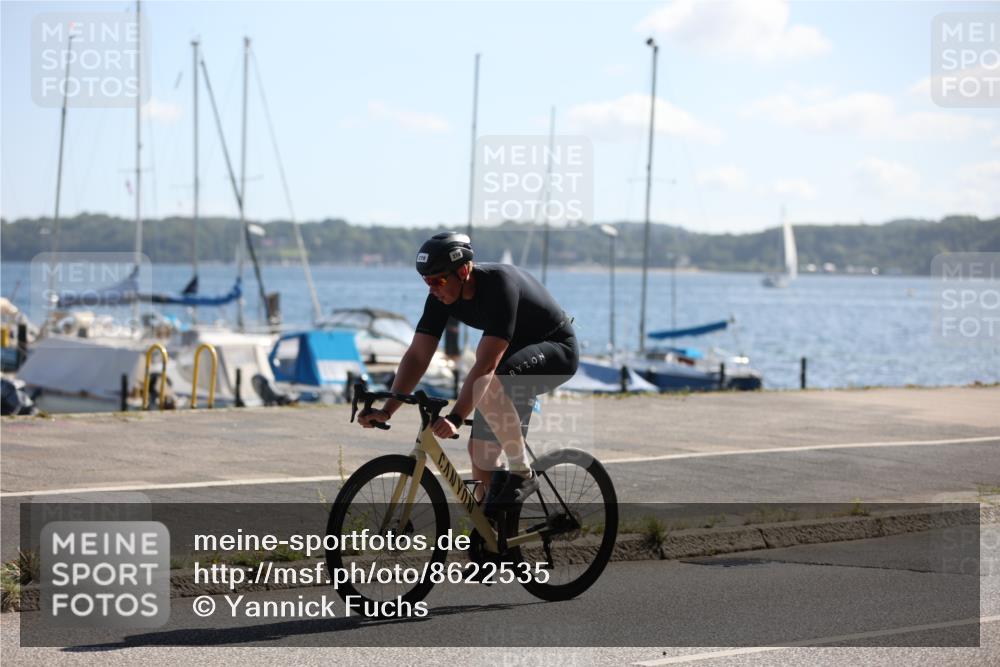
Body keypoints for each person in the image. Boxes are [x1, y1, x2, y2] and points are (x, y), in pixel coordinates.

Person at [357, 231, 578, 512]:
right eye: (426, 281)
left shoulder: (500, 286)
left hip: (556, 350)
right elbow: (418, 356)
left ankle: (523, 473)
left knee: (492, 383)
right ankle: (492, 530)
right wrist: (388, 409)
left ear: (462, 271)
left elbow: (486, 365)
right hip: (513, 356)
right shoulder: (439, 297)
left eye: (437, 280)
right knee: (481, 454)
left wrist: (456, 417)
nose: (432, 289)